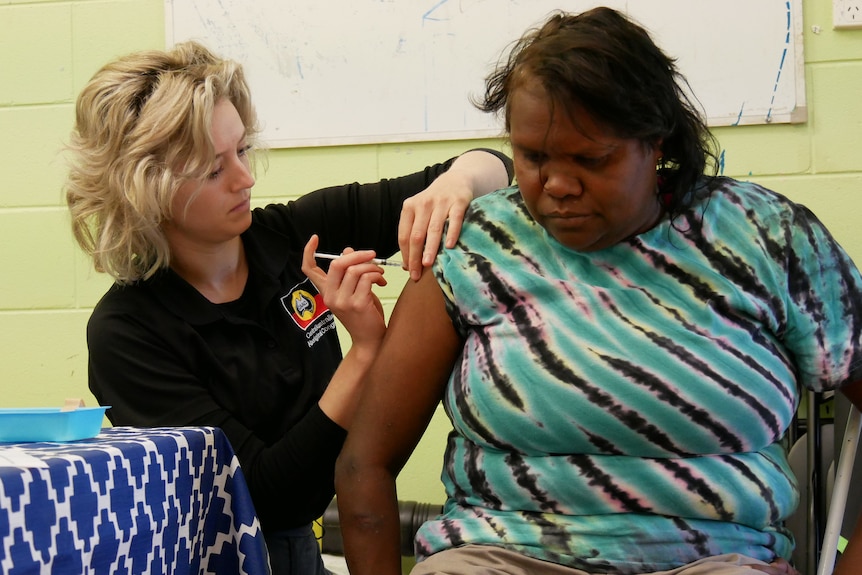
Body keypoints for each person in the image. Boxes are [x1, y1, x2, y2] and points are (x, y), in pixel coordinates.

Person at [334, 7, 862, 575]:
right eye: (533, 156)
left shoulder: (766, 238)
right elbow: (366, 463)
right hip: (502, 556)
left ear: (654, 143)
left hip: (713, 562)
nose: (557, 185)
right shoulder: (476, 249)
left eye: (591, 159)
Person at [63, 40, 513, 575]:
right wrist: (365, 353)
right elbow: (269, 500)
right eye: (213, 170)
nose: (245, 178)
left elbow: (493, 170)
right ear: (145, 190)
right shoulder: (128, 333)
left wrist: (457, 183)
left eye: (242, 150)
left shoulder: (294, 234)